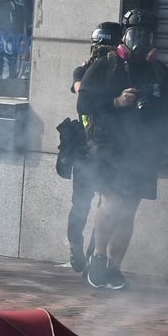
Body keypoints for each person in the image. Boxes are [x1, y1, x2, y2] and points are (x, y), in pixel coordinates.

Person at [78, 10, 168, 291]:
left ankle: (114, 268)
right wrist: (117, 102)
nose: (139, 39)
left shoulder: (158, 71)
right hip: (108, 145)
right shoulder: (105, 67)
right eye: (134, 33)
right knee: (113, 202)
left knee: (129, 210)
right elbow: (84, 104)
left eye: (146, 34)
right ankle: (98, 257)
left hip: (142, 150)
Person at [64, 21, 122, 272]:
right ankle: (77, 247)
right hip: (87, 148)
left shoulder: (121, 74)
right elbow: (80, 89)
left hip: (109, 147)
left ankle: (91, 254)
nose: (100, 52)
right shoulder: (85, 71)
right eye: (99, 47)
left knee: (105, 205)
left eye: (106, 47)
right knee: (83, 204)